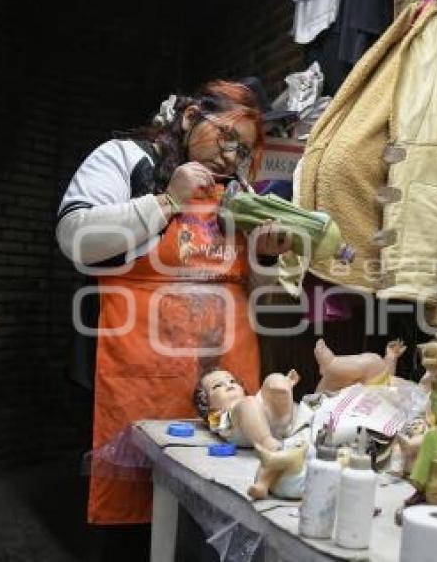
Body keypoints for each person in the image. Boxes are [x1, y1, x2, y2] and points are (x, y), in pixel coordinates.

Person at [56, 81, 291, 555]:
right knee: (139, 523)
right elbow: (74, 237)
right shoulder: (125, 158)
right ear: (189, 119)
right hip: (143, 372)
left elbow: (256, 296)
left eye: (243, 150)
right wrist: (167, 201)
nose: (231, 158)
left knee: (217, 511)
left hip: (225, 375)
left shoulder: (239, 193)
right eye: (227, 139)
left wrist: (265, 258)